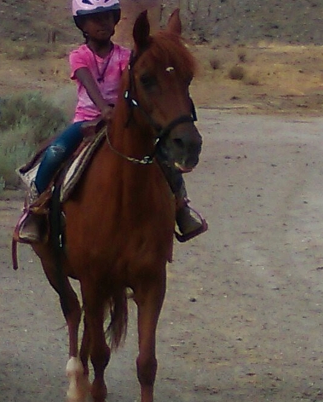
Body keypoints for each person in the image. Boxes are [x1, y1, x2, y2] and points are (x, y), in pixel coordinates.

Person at [19, 0, 206, 243]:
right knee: (55, 151)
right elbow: (88, 82)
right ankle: (35, 210)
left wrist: (120, 111)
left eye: (108, 17)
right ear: (82, 24)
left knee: (162, 158)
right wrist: (103, 108)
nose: (103, 23)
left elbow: (131, 85)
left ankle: (181, 207)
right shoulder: (79, 56)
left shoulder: (124, 56)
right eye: (95, 19)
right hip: (87, 120)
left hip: (120, 119)